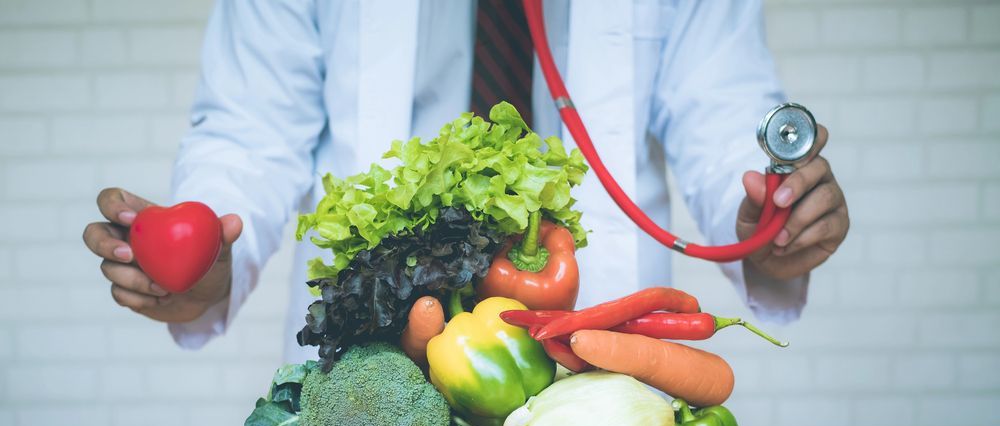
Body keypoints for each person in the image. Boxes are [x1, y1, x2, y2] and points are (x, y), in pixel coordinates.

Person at [82, 0, 849, 364]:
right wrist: (208, 251)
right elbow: (250, 129)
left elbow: (725, 112)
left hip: (596, 367)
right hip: (380, 378)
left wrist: (766, 219)